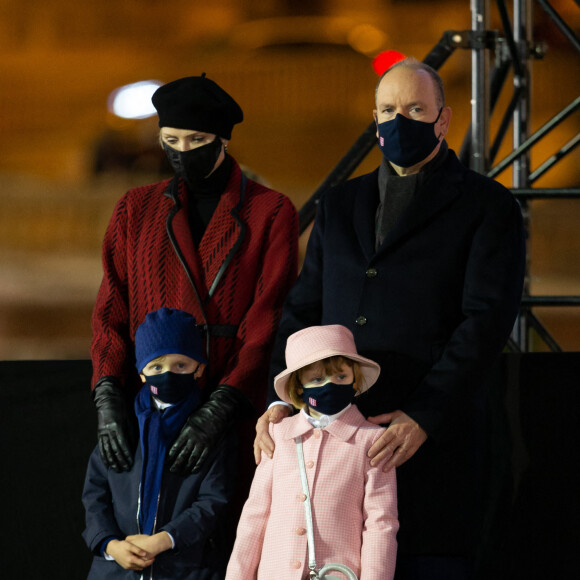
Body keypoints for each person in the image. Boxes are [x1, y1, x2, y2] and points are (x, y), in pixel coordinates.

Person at [255, 58, 526, 579]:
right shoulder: (340, 204)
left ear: (443, 120)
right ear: (374, 119)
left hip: (430, 449)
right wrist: (281, 397)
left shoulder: (488, 207)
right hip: (334, 454)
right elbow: (303, 311)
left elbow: (486, 322)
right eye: (387, 110)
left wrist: (423, 414)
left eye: (414, 109)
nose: (398, 120)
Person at [90, 74, 298, 494]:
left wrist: (221, 405)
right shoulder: (135, 208)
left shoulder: (269, 211)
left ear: (223, 140)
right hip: (149, 402)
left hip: (234, 399)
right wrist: (108, 393)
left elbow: (268, 316)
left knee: (228, 522)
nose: (182, 152)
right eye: (171, 140)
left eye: (197, 139)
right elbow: (111, 309)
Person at [226, 325, 398, 580]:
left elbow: (380, 524)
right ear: (299, 387)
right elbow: (255, 515)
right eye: (317, 379)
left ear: (355, 378)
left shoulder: (372, 440)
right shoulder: (278, 434)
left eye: (340, 377)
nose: (330, 385)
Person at [83, 307, 237, 579]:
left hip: (187, 569)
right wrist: (110, 545)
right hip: (114, 570)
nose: (168, 374)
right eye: (156, 366)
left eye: (181, 365)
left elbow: (213, 501)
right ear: (141, 373)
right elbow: (95, 494)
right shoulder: (121, 426)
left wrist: (166, 538)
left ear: (199, 368)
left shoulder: (212, 433)